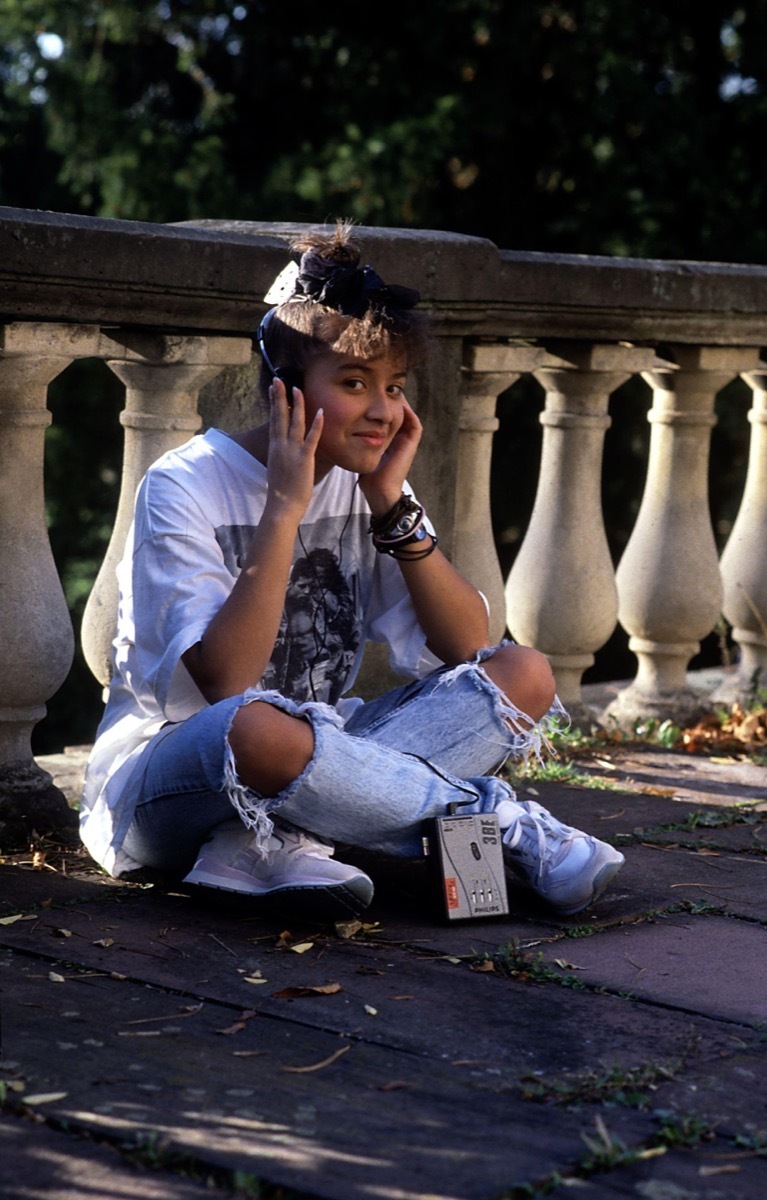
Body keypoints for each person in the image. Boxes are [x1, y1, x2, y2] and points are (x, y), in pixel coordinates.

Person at [80, 222, 624, 921]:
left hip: (321, 754)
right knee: (256, 727)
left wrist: (391, 505)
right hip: (175, 778)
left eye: (394, 386)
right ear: (284, 389)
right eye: (354, 382)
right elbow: (226, 685)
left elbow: (468, 645)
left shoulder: (361, 480)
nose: (382, 410)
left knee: (523, 674)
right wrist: (284, 508)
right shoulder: (182, 484)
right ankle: (493, 819)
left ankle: (275, 840)